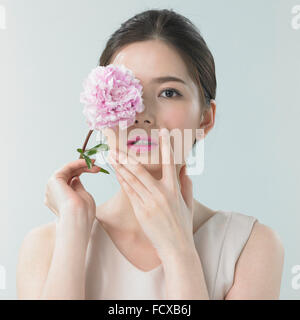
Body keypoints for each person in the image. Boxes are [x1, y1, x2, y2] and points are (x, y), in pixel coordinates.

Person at [16, 9, 284, 300]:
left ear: (205, 119)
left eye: (169, 93)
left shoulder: (249, 246)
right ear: (98, 112)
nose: (142, 115)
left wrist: (177, 248)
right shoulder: (47, 246)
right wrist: (74, 230)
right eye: (123, 92)